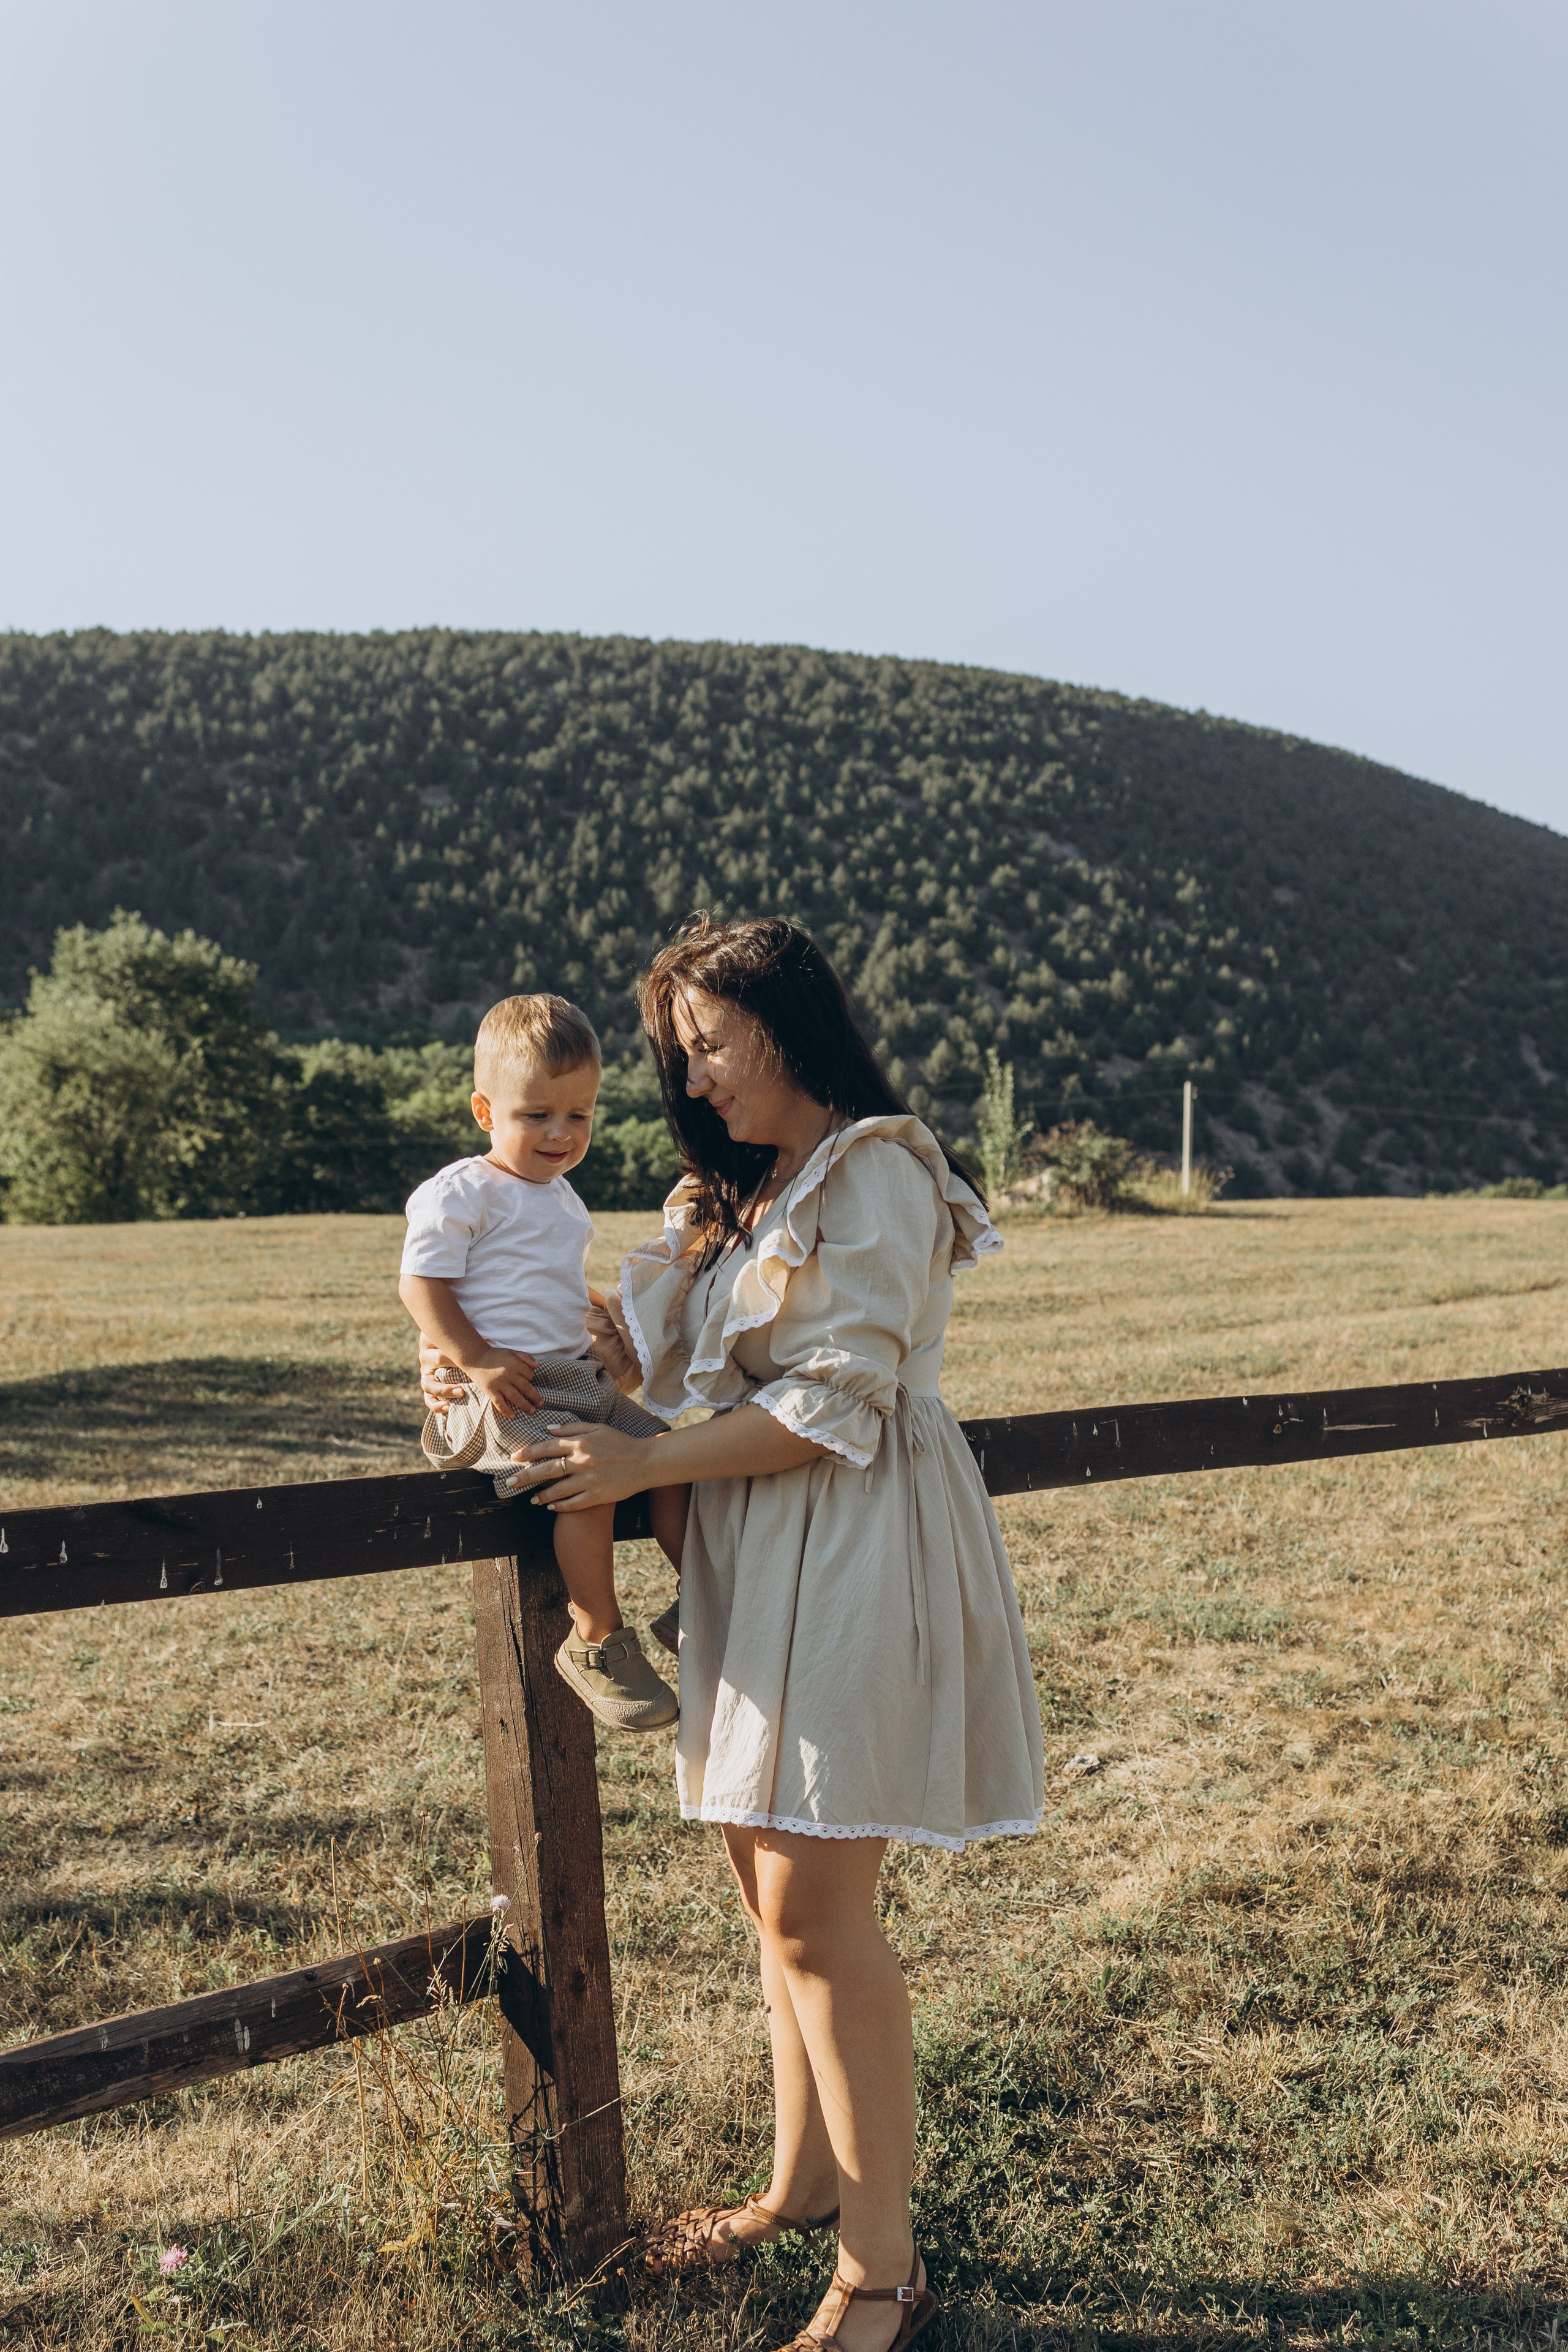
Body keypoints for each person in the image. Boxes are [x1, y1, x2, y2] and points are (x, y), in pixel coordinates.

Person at [421, 920, 1044, 2352]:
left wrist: (643, 1467)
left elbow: (839, 1400)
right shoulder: (736, 1201)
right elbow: (677, 1383)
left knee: (821, 1919)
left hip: (848, 1540)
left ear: (792, 1027)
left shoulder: (875, 1168)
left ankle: (880, 2273)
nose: (693, 1078)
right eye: (679, 1053)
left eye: (713, 1042)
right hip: (746, 1550)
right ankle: (795, 2189)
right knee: (772, 1909)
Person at [399, 991, 687, 1732]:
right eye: (536, 1115)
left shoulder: (560, 1198)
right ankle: (595, 1639)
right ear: (485, 1111)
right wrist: (475, 1357)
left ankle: (705, 1601)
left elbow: (546, 1282)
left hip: (570, 1378)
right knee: (584, 1481)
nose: (561, 1134)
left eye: (579, 1115)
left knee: (669, 1452)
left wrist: (607, 1305)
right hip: (502, 1395)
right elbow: (420, 1282)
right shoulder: (463, 1190)